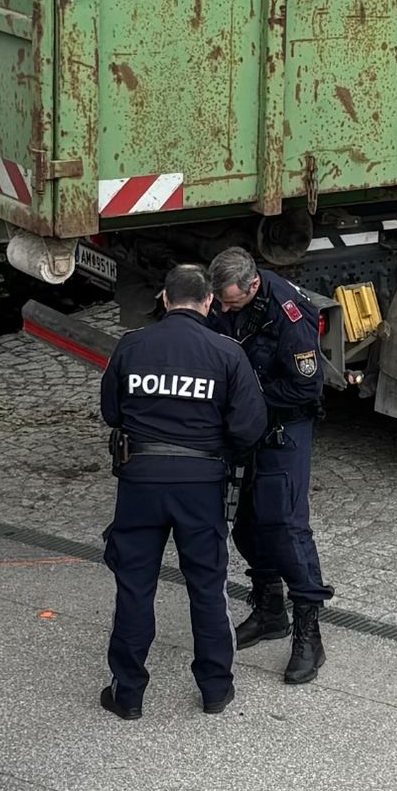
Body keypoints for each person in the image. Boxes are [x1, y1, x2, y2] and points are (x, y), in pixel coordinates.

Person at [94, 260, 267, 721]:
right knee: (207, 588)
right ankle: (215, 689)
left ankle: (127, 694)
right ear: (209, 302)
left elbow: (111, 412)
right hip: (201, 485)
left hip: (140, 483)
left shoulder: (131, 346)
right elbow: (250, 427)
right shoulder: (227, 353)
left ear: (165, 300)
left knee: (134, 588)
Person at [209, 240, 332, 688]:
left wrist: (248, 399)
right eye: (219, 301)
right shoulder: (224, 299)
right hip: (242, 426)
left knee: (285, 524)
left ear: (253, 284)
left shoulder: (289, 314)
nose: (223, 307)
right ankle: (268, 609)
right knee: (243, 520)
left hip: (284, 426)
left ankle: (308, 632)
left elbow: (306, 388)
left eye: (231, 301)